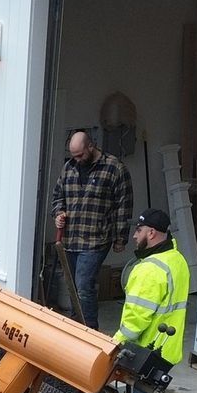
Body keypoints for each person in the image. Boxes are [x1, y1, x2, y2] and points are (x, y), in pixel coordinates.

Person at [113, 209, 190, 393]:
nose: (134, 236)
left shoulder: (149, 269)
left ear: (152, 233)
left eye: (139, 230)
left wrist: (113, 345)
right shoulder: (177, 260)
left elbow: (135, 320)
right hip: (167, 349)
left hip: (146, 351)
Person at [49, 128, 133, 328]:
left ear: (91, 146)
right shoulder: (68, 168)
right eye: (73, 155)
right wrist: (58, 213)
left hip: (96, 239)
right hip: (70, 239)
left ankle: (89, 330)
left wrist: (121, 238)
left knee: (84, 286)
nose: (77, 159)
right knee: (72, 287)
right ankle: (76, 326)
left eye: (80, 155)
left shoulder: (114, 168)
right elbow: (58, 196)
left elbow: (124, 204)